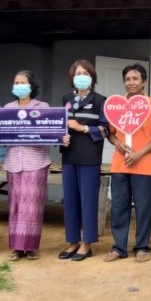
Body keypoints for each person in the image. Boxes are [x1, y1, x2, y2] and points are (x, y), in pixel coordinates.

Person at [105, 64, 151, 262]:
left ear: (144, 82)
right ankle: (119, 248)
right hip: (119, 165)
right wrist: (119, 144)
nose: (131, 82)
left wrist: (140, 153)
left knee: (143, 207)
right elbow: (111, 134)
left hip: (144, 166)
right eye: (128, 79)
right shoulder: (116, 106)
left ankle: (142, 247)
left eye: (135, 78)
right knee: (118, 207)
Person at [58, 60, 107, 261]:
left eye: (85, 73)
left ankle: (86, 243)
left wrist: (83, 128)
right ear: (72, 77)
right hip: (69, 155)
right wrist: (61, 136)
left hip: (89, 156)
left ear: (92, 77)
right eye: (78, 73)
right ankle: (72, 241)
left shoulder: (101, 100)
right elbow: (58, 126)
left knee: (88, 201)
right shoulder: (66, 99)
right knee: (70, 200)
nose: (81, 76)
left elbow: (106, 129)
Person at [3, 70, 51, 261]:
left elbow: (49, 132)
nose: (19, 85)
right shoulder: (6, 108)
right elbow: (1, 134)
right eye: (16, 82)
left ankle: (30, 247)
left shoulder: (43, 107)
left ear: (31, 86)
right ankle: (16, 247)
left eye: (23, 82)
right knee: (15, 205)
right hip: (14, 160)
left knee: (32, 206)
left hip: (36, 160)